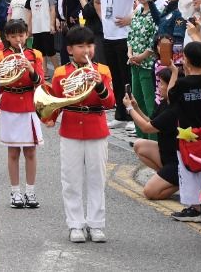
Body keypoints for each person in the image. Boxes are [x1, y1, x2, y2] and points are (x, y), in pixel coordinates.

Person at [46, 26, 115, 243]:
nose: (86, 49)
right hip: (71, 128)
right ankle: (75, 224)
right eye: (81, 46)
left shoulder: (102, 70)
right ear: (69, 49)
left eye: (89, 45)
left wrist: (99, 86)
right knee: (71, 179)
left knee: (97, 179)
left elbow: (110, 102)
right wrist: (49, 117)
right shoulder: (61, 73)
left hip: (96, 127)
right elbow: (55, 100)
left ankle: (96, 224)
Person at [0, 20, 44, 209]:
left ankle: (30, 192)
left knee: (30, 151)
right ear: (7, 37)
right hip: (10, 104)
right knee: (13, 151)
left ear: (27, 35)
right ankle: (15, 192)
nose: (18, 40)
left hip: (30, 105)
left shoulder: (34, 54)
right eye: (14, 36)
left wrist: (30, 69)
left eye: (21, 35)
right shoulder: (0, 56)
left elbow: (39, 81)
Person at [167, 41, 201, 221]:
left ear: (185, 59)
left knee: (188, 169)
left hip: (187, 132)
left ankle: (194, 207)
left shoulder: (182, 84)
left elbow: (169, 97)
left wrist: (174, 72)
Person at [123, 67, 179, 201]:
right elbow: (151, 121)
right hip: (165, 154)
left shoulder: (174, 109)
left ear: (171, 86)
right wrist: (136, 107)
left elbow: (146, 128)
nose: (159, 86)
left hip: (176, 161)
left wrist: (130, 109)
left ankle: (181, 183)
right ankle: (166, 178)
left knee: (150, 192)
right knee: (139, 145)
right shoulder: (165, 102)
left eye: (162, 83)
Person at [94, 0, 137, 123]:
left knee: (127, 78)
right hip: (108, 36)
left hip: (124, 38)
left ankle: (132, 115)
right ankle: (120, 114)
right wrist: (102, 17)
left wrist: (131, 17)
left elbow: (145, 0)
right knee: (115, 78)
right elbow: (97, 2)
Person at [126, 0, 160, 138]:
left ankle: (153, 139)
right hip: (134, 62)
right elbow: (131, 36)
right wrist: (130, 53)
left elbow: (155, 40)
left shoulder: (156, 13)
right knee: (136, 99)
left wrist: (142, 56)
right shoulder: (138, 11)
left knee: (149, 102)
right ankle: (141, 136)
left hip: (147, 63)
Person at [28, 0, 57, 74]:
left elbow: (52, 9)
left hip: (46, 27)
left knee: (50, 51)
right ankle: (44, 72)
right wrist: (29, 27)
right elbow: (30, 12)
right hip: (36, 28)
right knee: (39, 52)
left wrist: (52, 25)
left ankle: (58, 70)